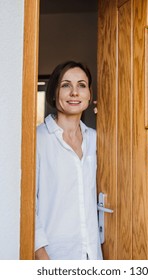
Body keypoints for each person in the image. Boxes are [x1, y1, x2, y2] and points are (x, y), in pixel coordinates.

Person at [35, 61, 103, 260]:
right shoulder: (37, 139)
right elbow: (29, 204)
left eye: (81, 85)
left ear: (89, 95)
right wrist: (41, 255)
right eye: (66, 85)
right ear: (54, 92)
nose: (75, 92)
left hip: (92, 254)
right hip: (55, 254)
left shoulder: (95, 139)